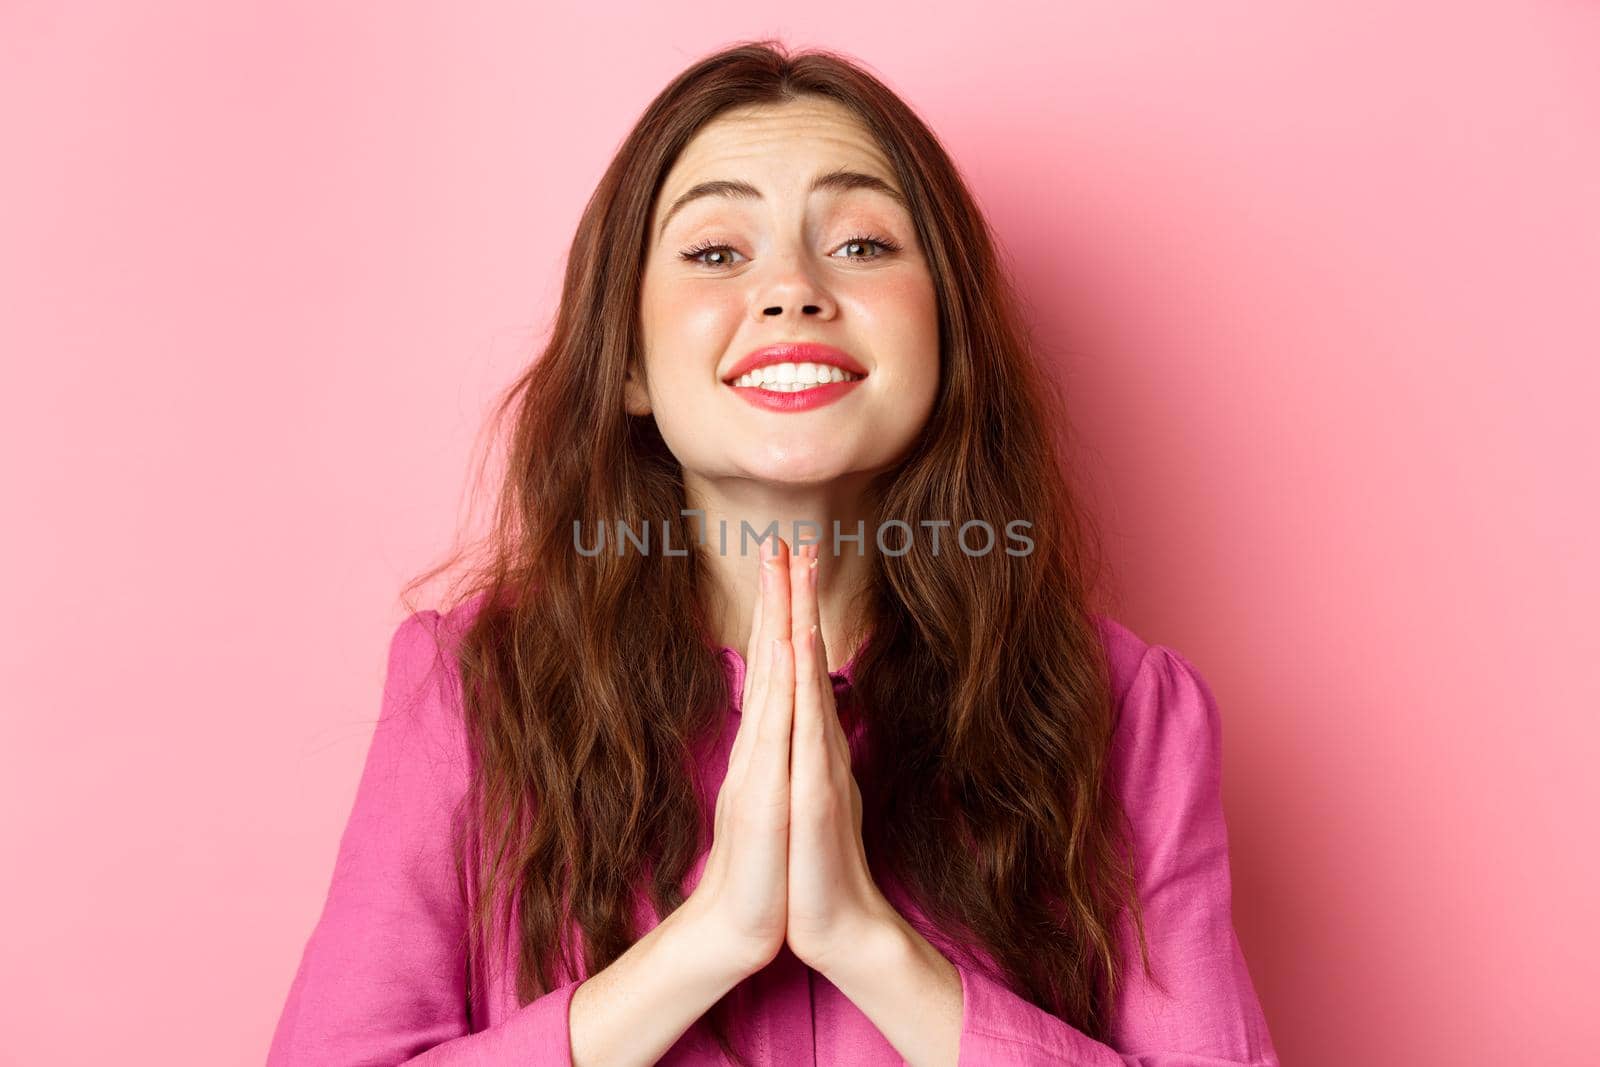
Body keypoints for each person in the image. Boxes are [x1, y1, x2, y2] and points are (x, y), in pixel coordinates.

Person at [267, 39, 1279, 1067]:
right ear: (628, 364)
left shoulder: (1129, 715)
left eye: (862, 244)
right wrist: (710, 939)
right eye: (716, 252)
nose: (792, 288)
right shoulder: (469, 689)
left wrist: (867, 941)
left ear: (947, 339)